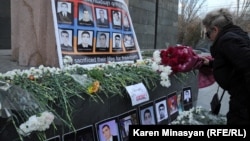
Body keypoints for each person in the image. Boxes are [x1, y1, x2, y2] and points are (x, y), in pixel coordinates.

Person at [201, 8, 250, 125]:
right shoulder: (236, 36)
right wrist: (211, 63)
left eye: (208, 34)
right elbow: (235, 62)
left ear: (215, 30)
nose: (210, 38)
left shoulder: (227, 40)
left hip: (243, 107)